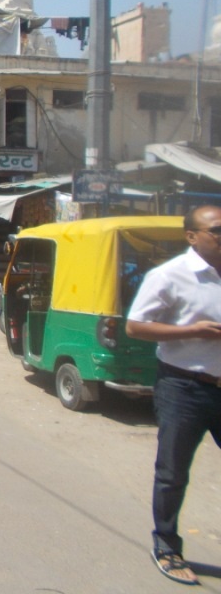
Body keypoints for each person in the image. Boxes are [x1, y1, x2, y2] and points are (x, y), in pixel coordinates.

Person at [126, 205, 221, 586]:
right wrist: (192, 331)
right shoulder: (168, 276)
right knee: (173, 473)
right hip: (184, 388)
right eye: (217, 230)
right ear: (192, 236)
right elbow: (135, 326)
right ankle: (166, 545)